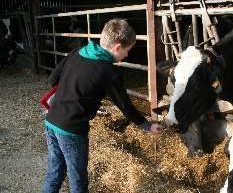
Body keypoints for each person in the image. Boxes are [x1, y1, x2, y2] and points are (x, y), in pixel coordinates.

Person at [42, 18, 160, 193]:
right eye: (127, 50)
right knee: (78, 180)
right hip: (72, 130)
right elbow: (125, 107)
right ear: (117, 47)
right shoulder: (108, 72)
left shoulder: (78, 51)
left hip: (51, 121)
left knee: (55, 170)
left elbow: (53, 80)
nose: (127, 55)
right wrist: (146, 125)